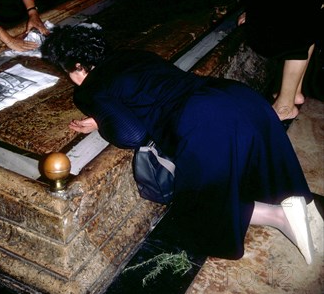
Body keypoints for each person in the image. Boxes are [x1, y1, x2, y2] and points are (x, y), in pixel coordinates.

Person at [40, 22, 322, 264]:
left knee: (196, 212)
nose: (71, 79)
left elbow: (132, 135)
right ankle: (299, 208)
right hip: (238, 98)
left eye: (68, 72)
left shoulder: (88, 88)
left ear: (77, 66)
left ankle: (279, 217)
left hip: (205, 120)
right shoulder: (133, 54)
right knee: (259, 170)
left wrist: (102, 119)